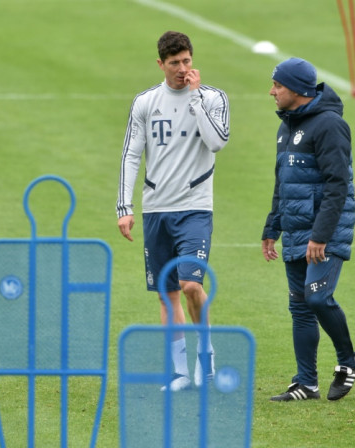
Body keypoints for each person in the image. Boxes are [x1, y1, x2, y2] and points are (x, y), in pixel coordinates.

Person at [116, 31, 230, 391]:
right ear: (161, 64)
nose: (183, 69)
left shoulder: (212, 98)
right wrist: (125, 206)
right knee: (168, 295)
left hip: (195, 208)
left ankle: (206, 357)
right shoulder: (146, 102)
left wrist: (195, 99)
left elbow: (217, 142)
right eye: (175, 63)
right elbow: (131, 154)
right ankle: (181, 373)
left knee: (191, 284)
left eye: (187, 61)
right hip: (156, 209)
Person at [261, 57, 355, 402]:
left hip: (324, 233)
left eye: (278, 85)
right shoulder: (286, 126)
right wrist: (272, 227)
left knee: (317, 297)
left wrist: (320, 236)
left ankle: (349, 361)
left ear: (298, 90)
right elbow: (283, 184)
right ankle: (306, 383)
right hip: (295, 229)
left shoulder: (330, 125)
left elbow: (338, 185)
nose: (271, 91)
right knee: (300, 306)